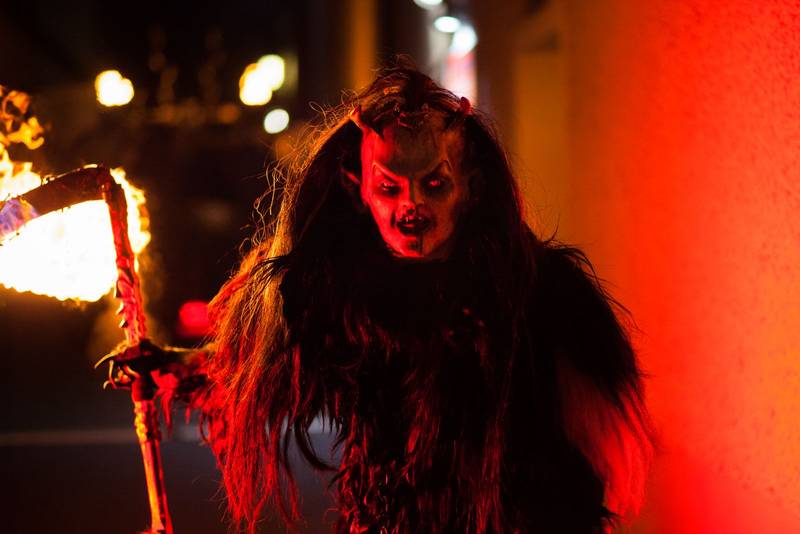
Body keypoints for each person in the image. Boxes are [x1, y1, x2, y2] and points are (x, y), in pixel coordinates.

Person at [106, 64, 653, 533]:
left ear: (470, 187)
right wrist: (175, 368)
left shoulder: (537, 291)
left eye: (434, 185)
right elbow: (268, 370)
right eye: (389, 188)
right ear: (359, 189)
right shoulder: (349, 296)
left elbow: (601, 450)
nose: (410, 207)